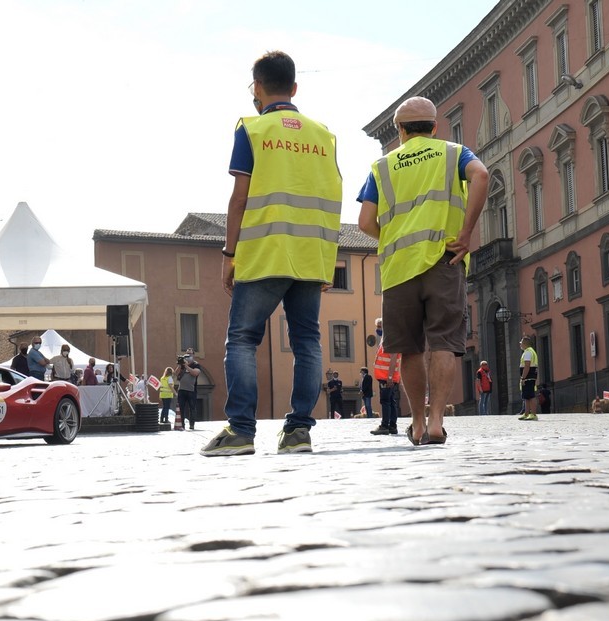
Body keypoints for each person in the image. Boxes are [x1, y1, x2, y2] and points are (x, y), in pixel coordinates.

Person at [199, 50, 341, 458]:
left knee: (242, 339)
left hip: (264, 253)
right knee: (307, 342)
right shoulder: (324, 136)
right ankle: (298, 432)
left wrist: (229, 254)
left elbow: (238, 198)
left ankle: (241, 432)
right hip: (311, 255)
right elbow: (333, 199)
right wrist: (326, 259)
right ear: (294, 88)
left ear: (257, 87)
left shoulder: (252, 129)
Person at [357, 96, 489, 446]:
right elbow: (482, 176)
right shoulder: (453, 152)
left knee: (410, 349)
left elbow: (365, 222)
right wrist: (466, 233)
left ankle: (416, 424)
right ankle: (436, 422)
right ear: (434, 127)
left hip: (399, 268)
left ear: (400, 131)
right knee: (444, 342)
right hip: (444, 259)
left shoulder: (382, 166)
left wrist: (397, 235)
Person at [370, 319, 402, 436]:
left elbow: (393, 359)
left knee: (385, 401)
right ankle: (392, 426)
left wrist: (389, 377)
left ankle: (385, 425)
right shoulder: (387, 339)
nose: (378, 329)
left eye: (379, 326)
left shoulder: (390, 339)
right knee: (391, 401)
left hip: (387, 377)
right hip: (387, 377)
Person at [175, 354, 200, 430]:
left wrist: (186, 366)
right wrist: (180, 365)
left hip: (191, 390)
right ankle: (182, 425)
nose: (186, 359)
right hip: (181, 390)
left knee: (192, 408)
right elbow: (175, 374)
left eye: (188, 357)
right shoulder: (182, 366)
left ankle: (191, 424)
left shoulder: (195, 365)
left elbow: (195, 373)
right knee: (181, 408)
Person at [517, 336, 539, 421]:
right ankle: (526, 413)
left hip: (528, 377)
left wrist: (523, 377)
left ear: (524, 344)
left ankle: (533, 414)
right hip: (529, 377)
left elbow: (527, 366)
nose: (520, 344)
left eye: (521, 343)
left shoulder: (528, 353)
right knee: (526, 396)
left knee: (530, 396)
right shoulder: (529, 351)